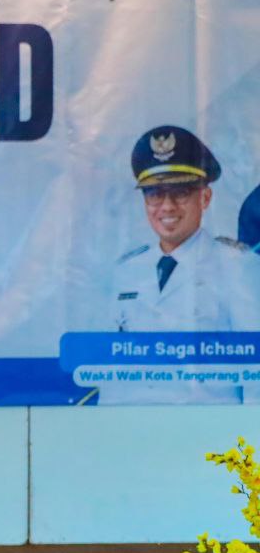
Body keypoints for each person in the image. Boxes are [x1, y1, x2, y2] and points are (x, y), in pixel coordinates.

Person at [103, 125, 260, 404]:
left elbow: (256, 371)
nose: (167, 206)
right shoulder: (126, 271)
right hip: (132, 425)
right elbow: (110, 371)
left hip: (207, 428)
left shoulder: (238, 266)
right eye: (155, 193)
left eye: (181, 192)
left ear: (205, 198)